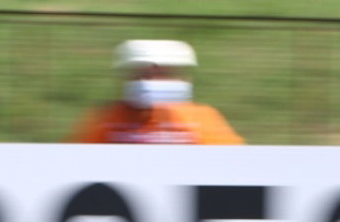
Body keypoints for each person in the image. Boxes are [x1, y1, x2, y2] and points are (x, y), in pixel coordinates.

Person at [71, 39, 244, 145]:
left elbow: (230, 161)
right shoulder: (107, 119)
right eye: (144, 74)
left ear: (182, 78)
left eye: (164, 74)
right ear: (127, 78)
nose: (153, 81)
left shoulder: (201, 118)